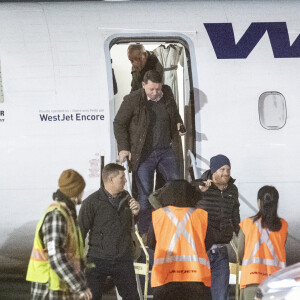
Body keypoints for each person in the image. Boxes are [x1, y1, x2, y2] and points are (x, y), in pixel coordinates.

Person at [113, 70, 185, 236]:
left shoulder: (166, 93)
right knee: (144, 195)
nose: (155, 93)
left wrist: (179, 123)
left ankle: (172, 228)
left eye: (158, 89)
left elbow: (174, 113)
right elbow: (119, 123)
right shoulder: (132, 99)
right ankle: (146, 233)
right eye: (151, 89)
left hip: (165, 150)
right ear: (143, 85)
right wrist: (123, 147)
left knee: (176, 186)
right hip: (143, 154)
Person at [26, 169, 92, 300]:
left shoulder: (66, 215)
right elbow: (56, 257)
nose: (82, 193)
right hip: (50, 289)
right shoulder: (57, 216)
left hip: (60, 286)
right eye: (81, 190)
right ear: (75, 192)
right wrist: (80, 286)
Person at [78, 163, 140, 300]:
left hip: (123, 259)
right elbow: (80, 231)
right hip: (98, 259)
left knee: (132, 297)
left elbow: (130, 226)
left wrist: (135, 213)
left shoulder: (127, 198)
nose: (125, 180)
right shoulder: (91, 202)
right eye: (122, 177)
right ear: (110, 180)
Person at [147, 180, 212, 300]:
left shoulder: (159, 215)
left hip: (165, 278)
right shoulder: (200, 215)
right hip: (196, 279)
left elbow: (150, 242)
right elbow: (207, 242)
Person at [192, 154, 240, 300]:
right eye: (222, 169)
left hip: (221, 252)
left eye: (228, 169)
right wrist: (198, 190)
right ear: (213, 170)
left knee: (220, 296)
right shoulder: (200, 186)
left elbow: (235, 213)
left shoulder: (232, 189)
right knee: (200, 295)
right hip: (201, 251)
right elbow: (184, 197)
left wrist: (237, 231)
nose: (226, 173)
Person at [238, 186, 288, 300]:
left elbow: (240, 252)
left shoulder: (247, 224)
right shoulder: (283, 226)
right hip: (276, 283)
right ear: (276, 203)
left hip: (252, 281)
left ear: (259, 202)